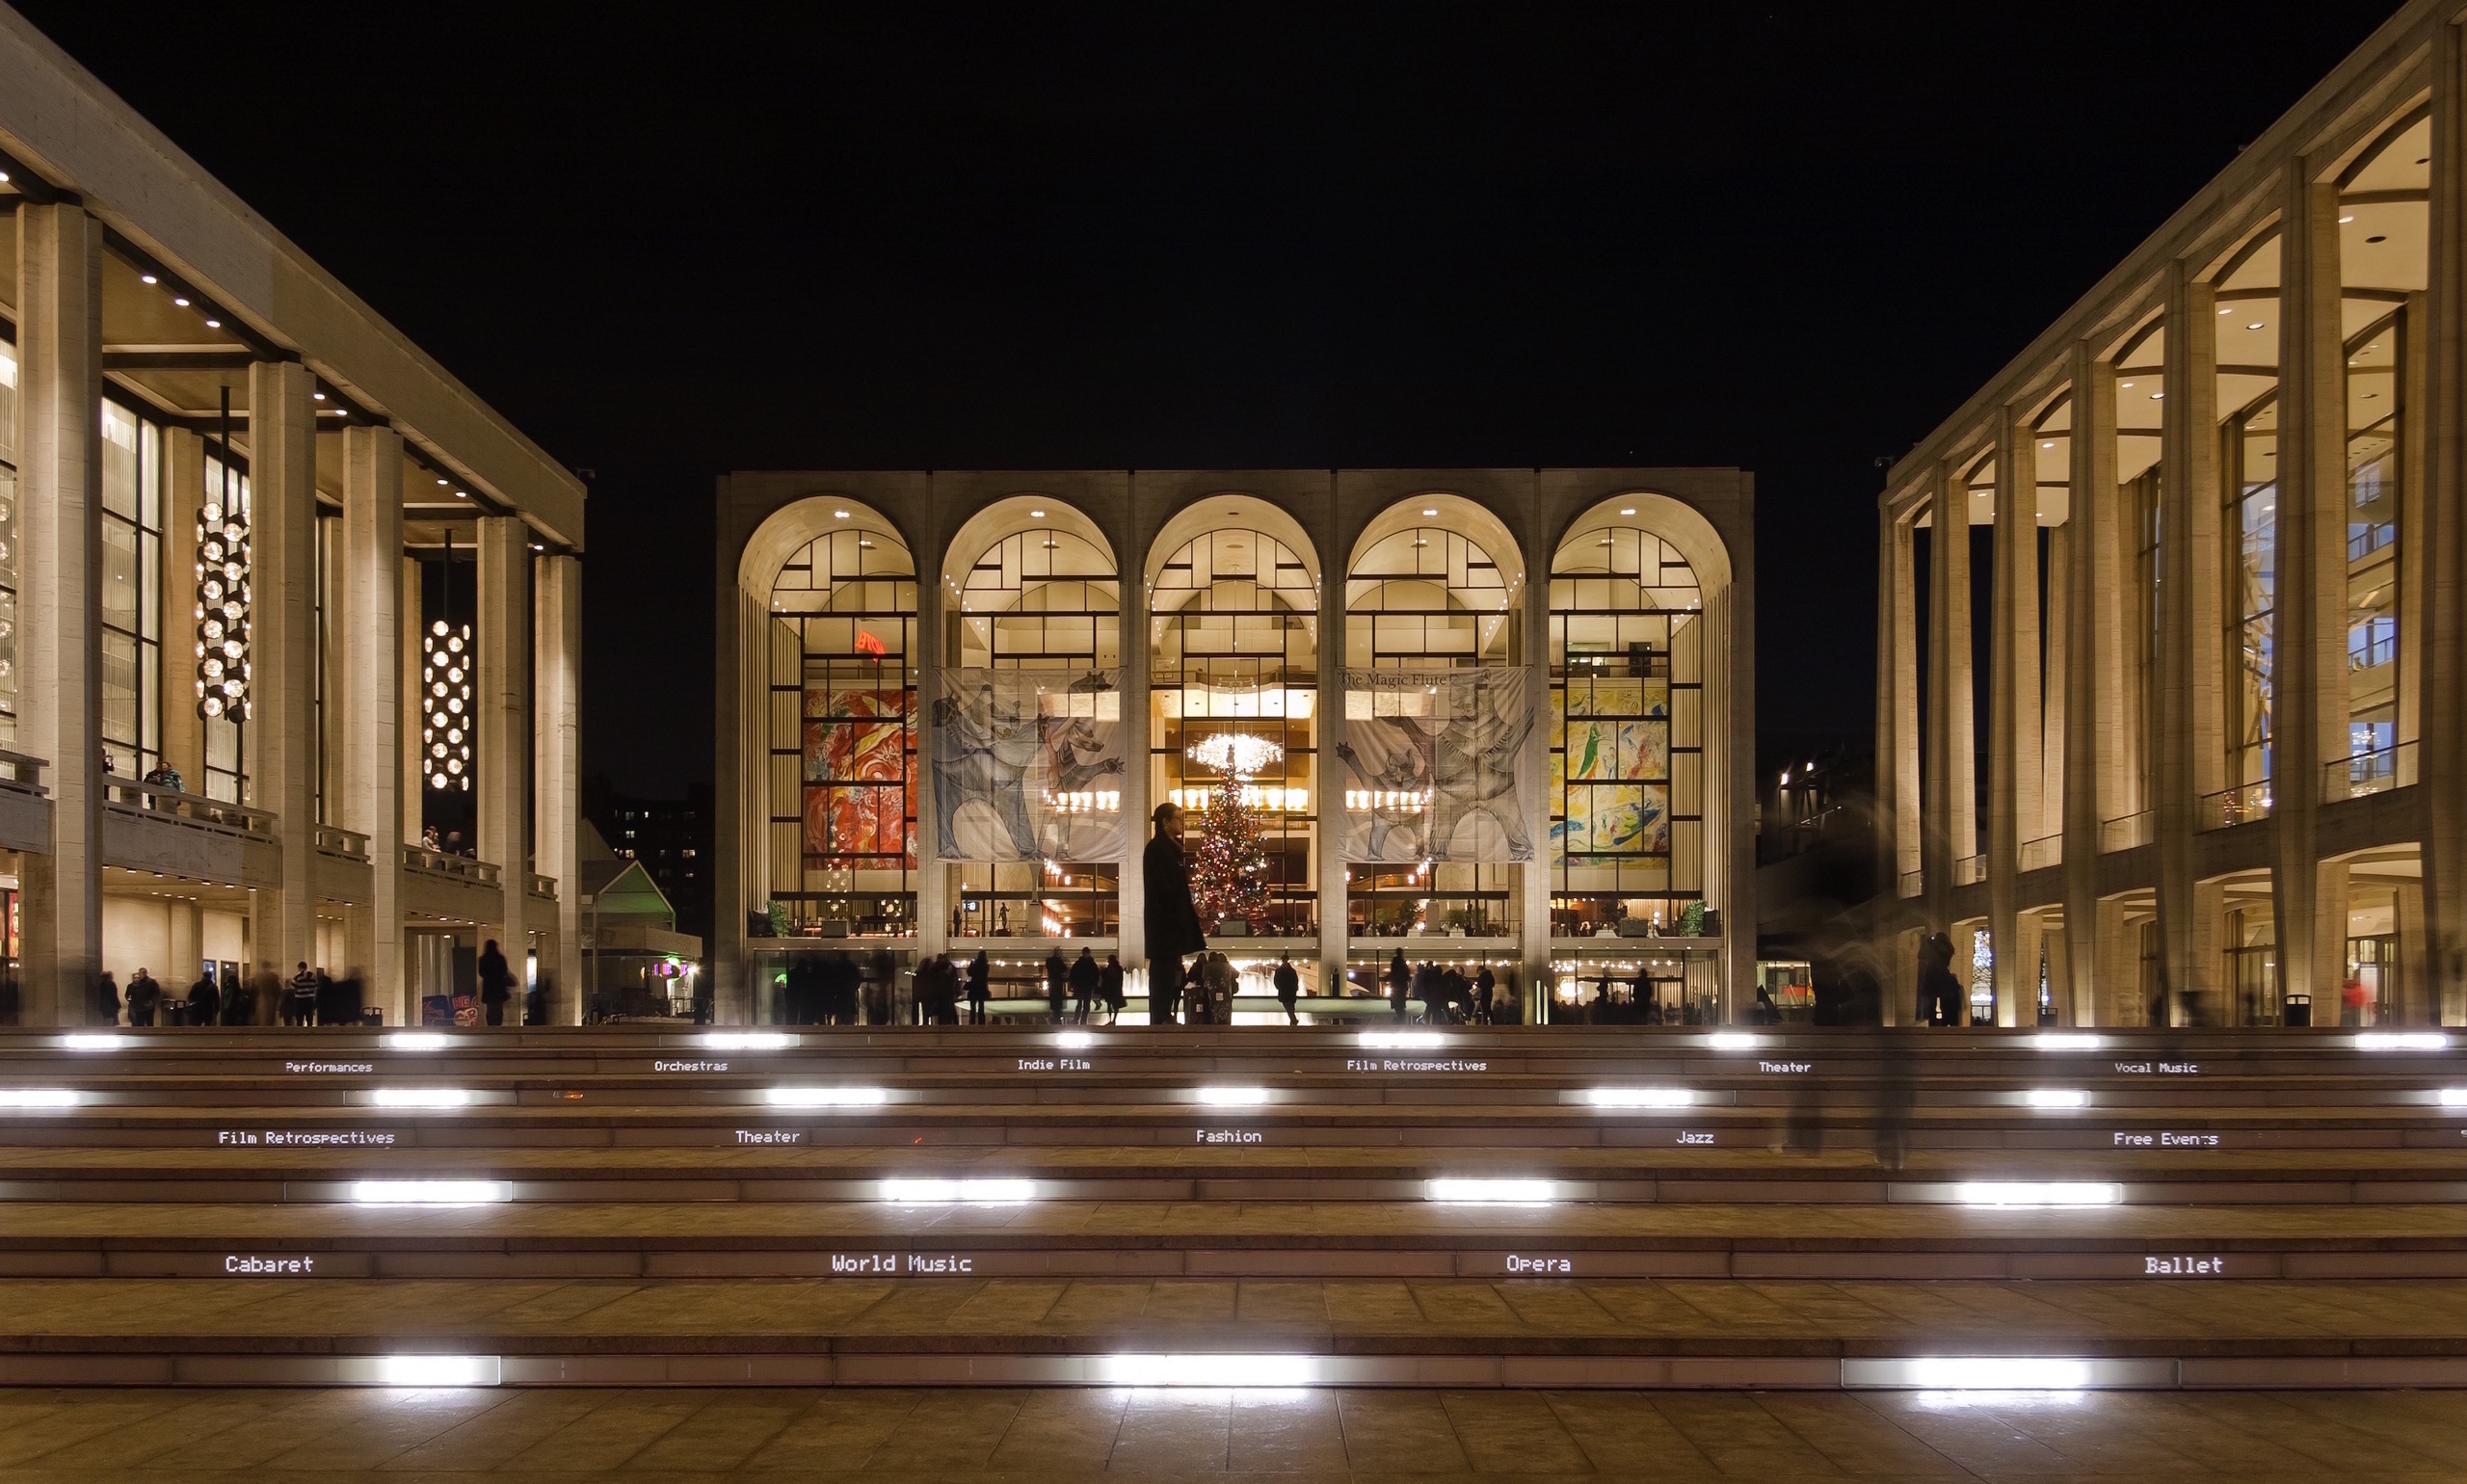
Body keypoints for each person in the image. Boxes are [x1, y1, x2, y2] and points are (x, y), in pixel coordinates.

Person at [1140, 802, 1207, 1025]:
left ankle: (1162, 1013)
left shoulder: (1170, 847)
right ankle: (1159, 1014)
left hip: (1170, 919)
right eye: (1178, 818)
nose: (1182, 822)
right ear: (1165, 822)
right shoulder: (1157, 848)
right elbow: (1162, 886)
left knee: (1168, 968)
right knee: (1162, 969)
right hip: (1163, 920)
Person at [1918, 932, 1962, 1028]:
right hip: (1943, 976)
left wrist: (1927, 943)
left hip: (1931, 976)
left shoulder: (1933, 949)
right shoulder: (1948, 949)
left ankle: (1933, 1026)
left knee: (1931, 1005)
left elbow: (1921, 955)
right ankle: (1944, 1024)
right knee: (1944, 1003)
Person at [476, 941, 514, 1027]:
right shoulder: (500, 958)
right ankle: (498, 1025)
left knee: (490, 1008)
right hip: (499, 985)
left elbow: (481, 973)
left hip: (488, 985)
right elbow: (504, 971)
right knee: (498, 1007)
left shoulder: (483, 959)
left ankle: (490, 1025)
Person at [1068, 946, 1100, 1024]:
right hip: (1087, 987)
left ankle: (1076, 1019)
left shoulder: (1078, 963)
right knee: (1086, 1005)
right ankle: (1083, 1020)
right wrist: (1094, 985)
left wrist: (1073, 984)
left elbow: (1072, 974)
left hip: (1080, 986)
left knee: (1080, 1004)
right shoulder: (1092, 964)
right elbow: (1096, 975)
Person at [281, 962, 318, 1027]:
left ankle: (300, 1032)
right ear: (306, 967)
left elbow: (293, 987)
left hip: (300, 999)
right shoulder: (313, 975)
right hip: (310, 999)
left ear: (299, 967)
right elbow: (316, 986)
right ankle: (310, 1032)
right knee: (309, 1018)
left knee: (299, 1018)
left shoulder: (297, 976)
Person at [1273, 953, 1301, 1026]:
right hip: (1290, 993)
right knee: (1290, 1008)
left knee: (1289, 1008)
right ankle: (1294, 1022)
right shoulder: (1292, 971)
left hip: (1285, 992)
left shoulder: (1279, 971)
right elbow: (1295, 981)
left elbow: (1276, 981)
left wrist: (1279, 987)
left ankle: (1293, 1022)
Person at [1100, 953, 1126, 1024]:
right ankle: (1112, 1019)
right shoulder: (1117, 968)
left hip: (1111, 989)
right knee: (1112, 1005)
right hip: (1113, 989)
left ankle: (1112, 1019)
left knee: (1112, 1005)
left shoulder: (1112, 969)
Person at [1044, 948, 1069, 1023]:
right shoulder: (1059, 961)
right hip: (1058, 983)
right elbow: (1064, 969)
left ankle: (1054, 1017)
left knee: (1053, 1000)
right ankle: (1057, 1018)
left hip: (1052, 983)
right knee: (1058, 1001)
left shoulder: (1049, 961)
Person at [966, 950, 990, 1025]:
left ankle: (972, 1022)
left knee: (972, 1006)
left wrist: (971, 964)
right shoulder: (986, 965)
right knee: (981, 1006)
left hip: (974, 987)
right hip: (982, 987)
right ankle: (981, 1022)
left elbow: (969, 972)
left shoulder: (975, 964)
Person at [1385, 950, 1409, 1021]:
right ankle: (1401, 1017)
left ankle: (1400, 1017)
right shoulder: (1403, 964)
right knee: (1400, 1004)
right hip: (1401, 987)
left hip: (1397, 986)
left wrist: (1387, 978)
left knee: (1396, 1003)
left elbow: (1393, 973)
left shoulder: (1397, 962)